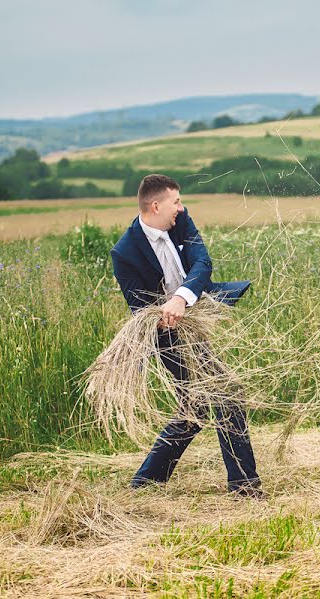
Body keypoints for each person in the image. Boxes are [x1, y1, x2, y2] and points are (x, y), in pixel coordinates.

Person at [110, 174, 262, 496]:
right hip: (165, 336)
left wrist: (181, 297)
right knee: (226, 394)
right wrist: (165, 318)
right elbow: (139, 308)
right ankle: (245, 487)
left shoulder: (180, 221)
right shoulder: (124, 253)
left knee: (196, 407)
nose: (181, 207)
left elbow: (202, 263)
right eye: (175, 201)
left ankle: (146, 480)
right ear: (155, 206)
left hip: (195, 315)